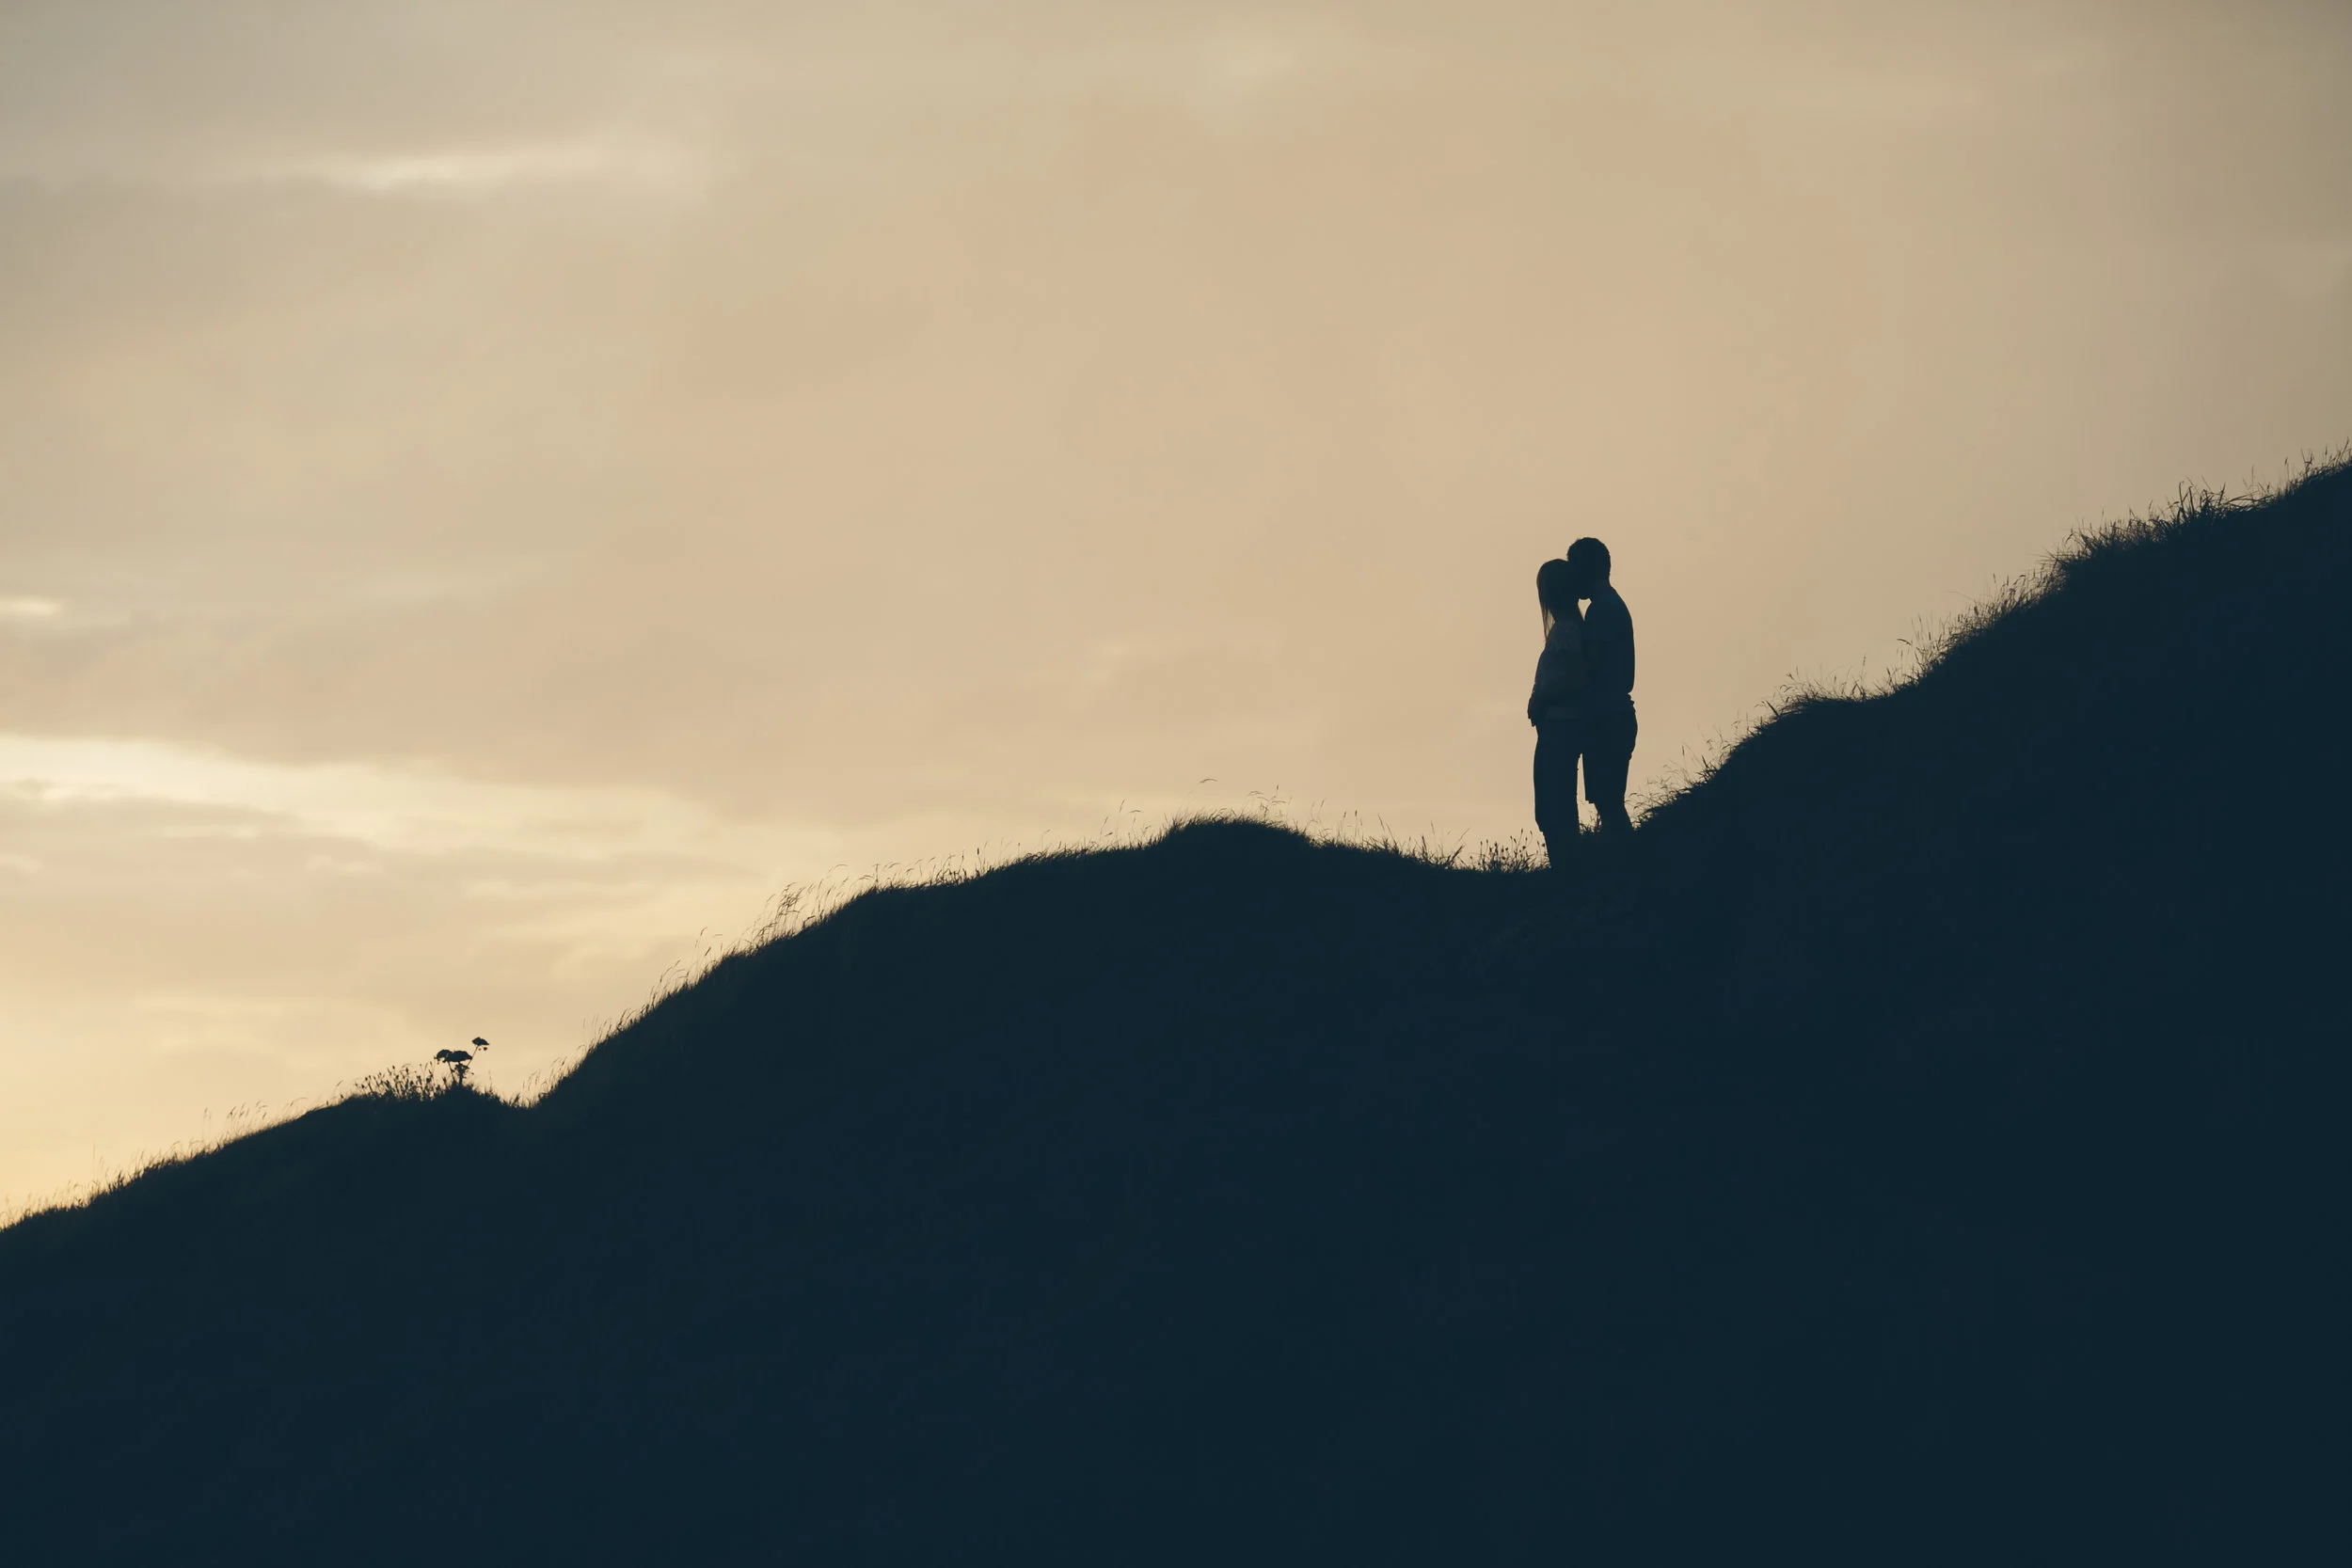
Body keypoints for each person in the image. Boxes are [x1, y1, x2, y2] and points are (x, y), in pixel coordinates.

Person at [1566, 536, 1637, 835]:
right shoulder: (1611, 605)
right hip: (1615, 715)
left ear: (1584, 569)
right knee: (1610, 804)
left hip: (1608, 717)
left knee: (1609, 806)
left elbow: (1592, 669)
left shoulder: (1601, 611)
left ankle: (1624, 866)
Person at [1527, 557, 1585, 867]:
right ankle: (1567, 871)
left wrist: (1543, 699)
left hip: (1559, 728)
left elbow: (1577, 678)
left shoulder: (1565, 632)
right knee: (1556, 804)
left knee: (1553, 807)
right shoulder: (1569, 629)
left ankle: (1566, 872)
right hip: (1558, 728)